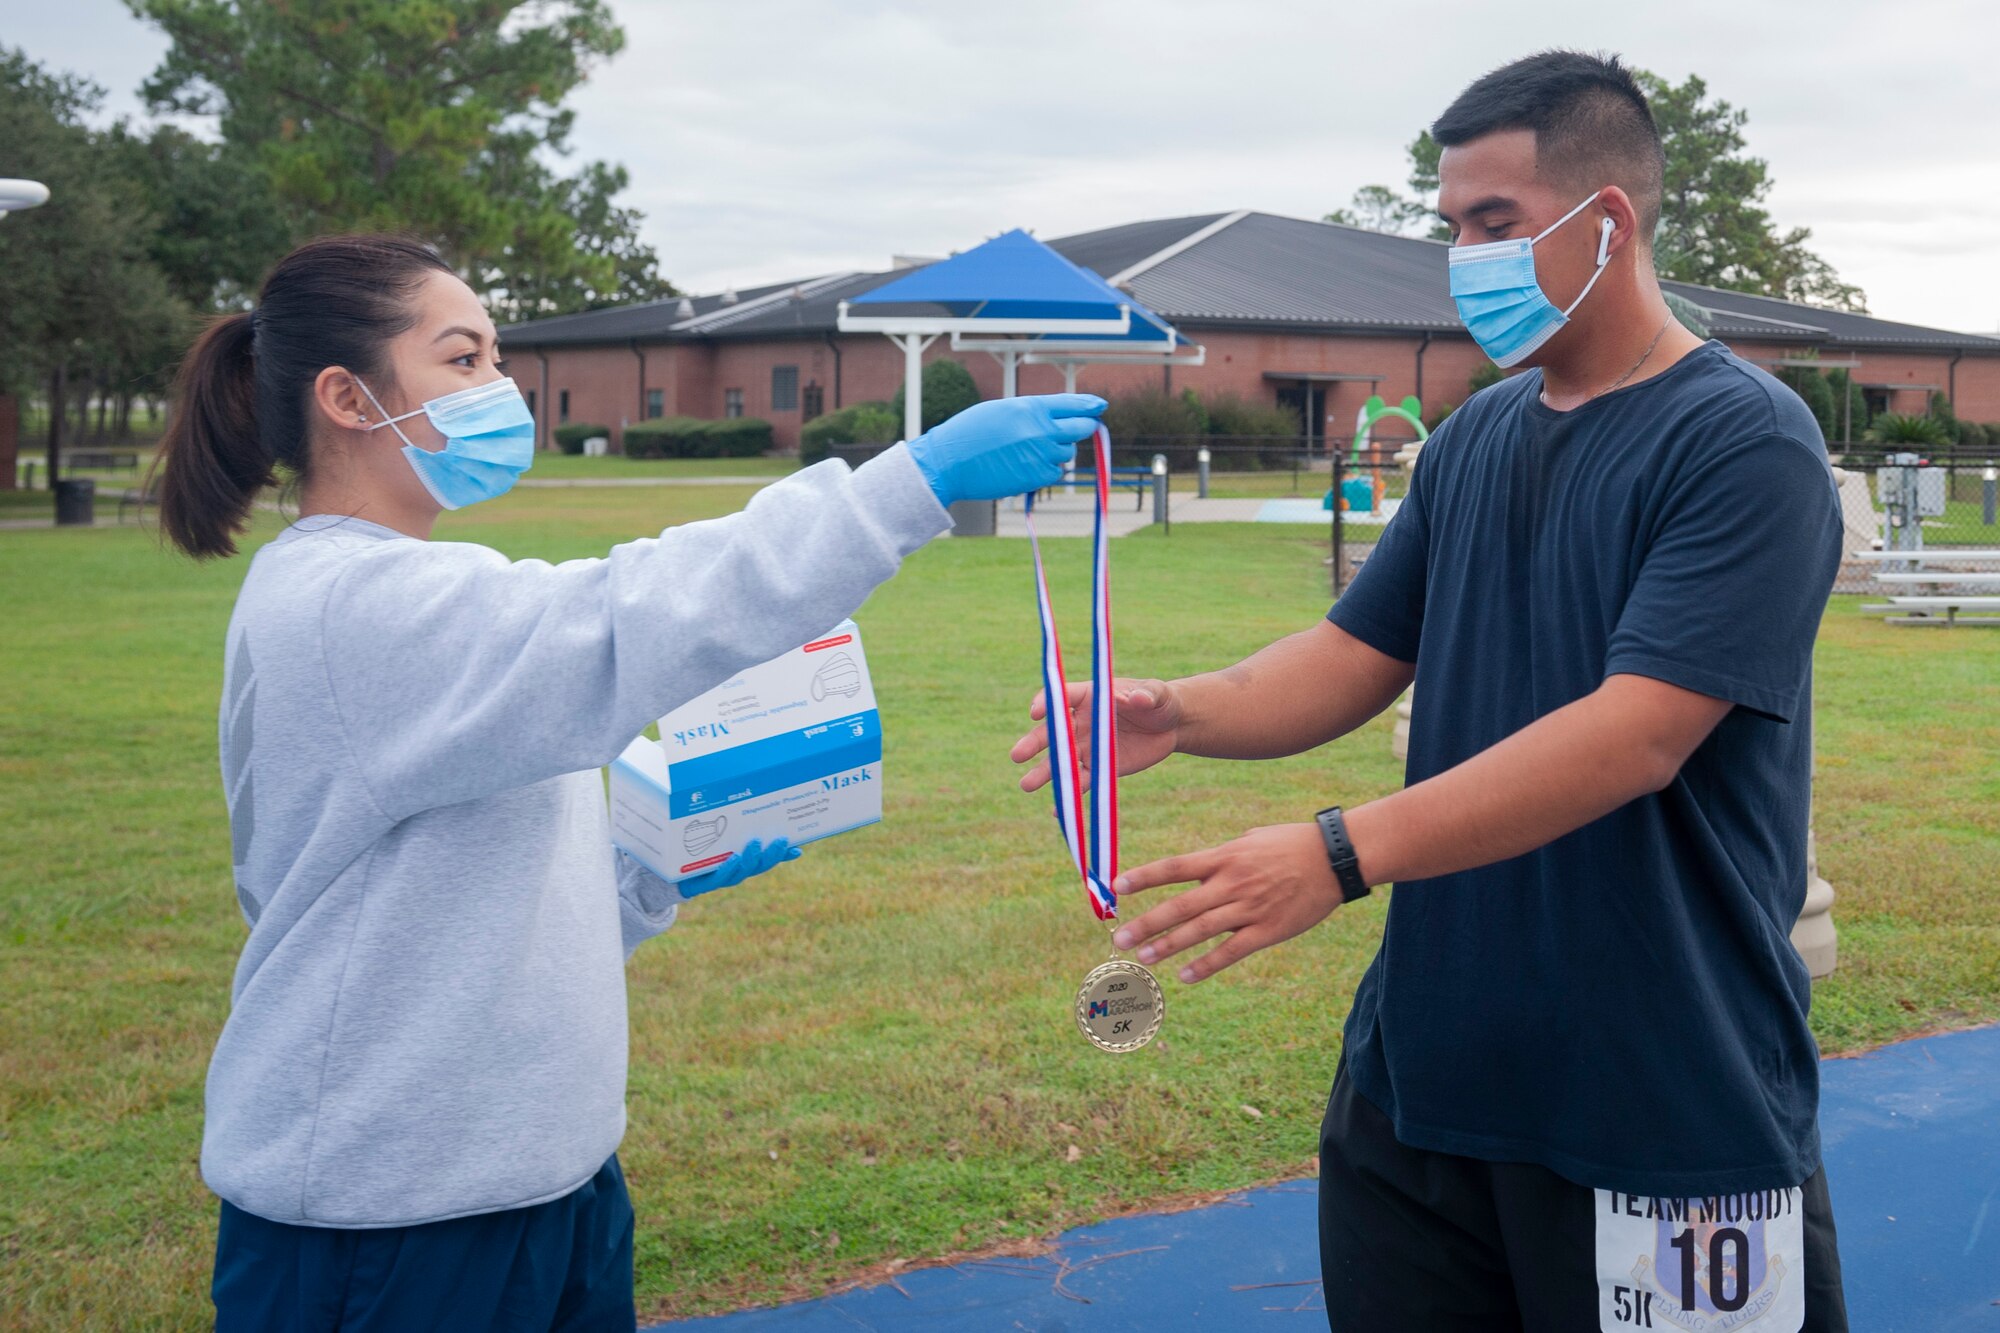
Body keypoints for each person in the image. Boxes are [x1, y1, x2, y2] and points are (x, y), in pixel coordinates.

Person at [1013, 52, 1846, 1332]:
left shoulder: (1742, 439)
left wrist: (1338, 854)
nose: (1462, 257)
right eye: (1450, 224)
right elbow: (1355, 652)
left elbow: (1636, 735)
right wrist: (1179, 711)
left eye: (1494, 224)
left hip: (1661, 1096)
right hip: (1425, 1087)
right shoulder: (1479, 438)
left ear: (1605, 222)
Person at [154, 232, 1105, 1331]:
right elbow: (630, 618)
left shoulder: (417, 590)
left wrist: (645, 877)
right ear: (347, 398)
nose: (499, 389)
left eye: (498, 358)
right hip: (386, 1220)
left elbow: (448, 896)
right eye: (462, 360)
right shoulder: (349, 607)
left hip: (544, 1181)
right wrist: (910, 483)